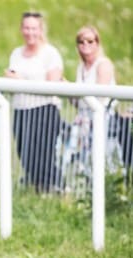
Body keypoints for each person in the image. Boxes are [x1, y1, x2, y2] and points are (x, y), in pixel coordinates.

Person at [5, 12, 63, 193]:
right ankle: (39, 190)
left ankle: (55, 188)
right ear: (22, 29)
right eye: (27, 28)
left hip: (44, 110)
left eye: (34, 28)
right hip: (22, 109)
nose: (30, 32)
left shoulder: (50, 53)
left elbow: (52, 84)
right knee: (24, 153)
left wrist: (22, 81)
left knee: (43, 154)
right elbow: (10, 77)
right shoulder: (16, 53)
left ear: (40, 30)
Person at [73, 25, 132, 176]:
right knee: (82, 157)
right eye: (81, 41)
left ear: (97, 43)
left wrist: (78, 96)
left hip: (103, 118)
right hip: (84, 119)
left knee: (103, 155)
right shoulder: (81, 67)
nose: (85, 44)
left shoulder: (103, 64)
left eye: (90, 41)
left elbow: (100, 96)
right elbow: (77, 101)